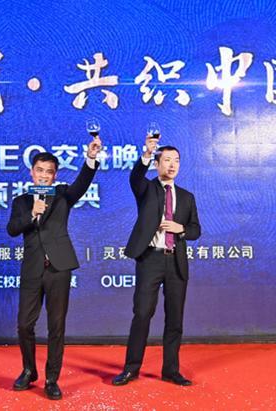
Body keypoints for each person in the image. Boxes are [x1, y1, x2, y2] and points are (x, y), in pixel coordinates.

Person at [7, 136, 101, 400]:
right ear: (32, 172)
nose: (44, 175)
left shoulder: (62, 195)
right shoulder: (22, 201)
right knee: (24, 325)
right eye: (40, 170)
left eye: (49, 172)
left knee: (56, 326)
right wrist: (32, 214)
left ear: (55, 175)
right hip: (32, 269)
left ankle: (51, 379)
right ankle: (29, 370)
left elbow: (82, 183)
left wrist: (91, 158)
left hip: (59, 268)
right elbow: (12, 229)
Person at [112, 134, 201, 387]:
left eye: (176, 160)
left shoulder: (187, 197)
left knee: (175, 319)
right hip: (150, 259)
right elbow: (135, 177)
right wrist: (147, 153)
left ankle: (171, 370)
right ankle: (131, 369)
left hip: (176, 261)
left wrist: (180, 229)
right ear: (157, 164)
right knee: (142, 313)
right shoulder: (146, 189)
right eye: (167, 160)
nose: (172, 165)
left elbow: (196, 229)